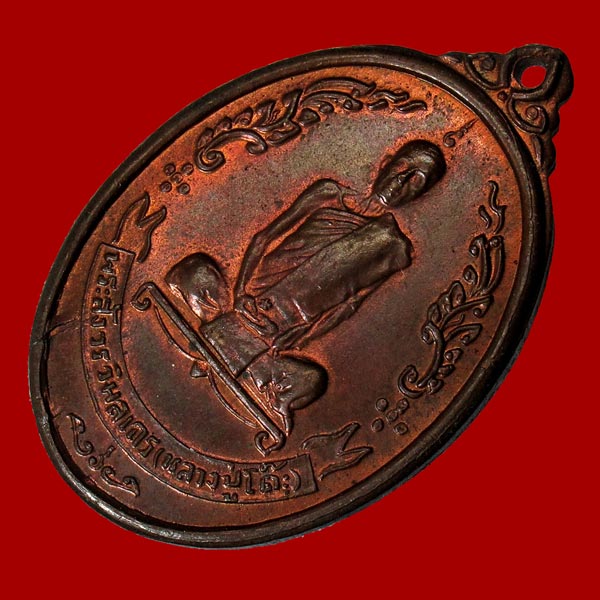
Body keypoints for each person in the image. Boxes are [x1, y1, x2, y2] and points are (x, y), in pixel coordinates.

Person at [166, 139, 446, 435]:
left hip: (288, 322)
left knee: (312, 381)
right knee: (193, 271)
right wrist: (240, 293)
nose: (401, 182)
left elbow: (351, 304)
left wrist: (301, 337)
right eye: (401, 168)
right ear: (386, 162)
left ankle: (265, 387)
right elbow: (264, 237)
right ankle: (217, 333)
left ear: (422, 193)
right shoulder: (328, 194)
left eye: (417, 180)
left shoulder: (395, 248)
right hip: (250, 294)